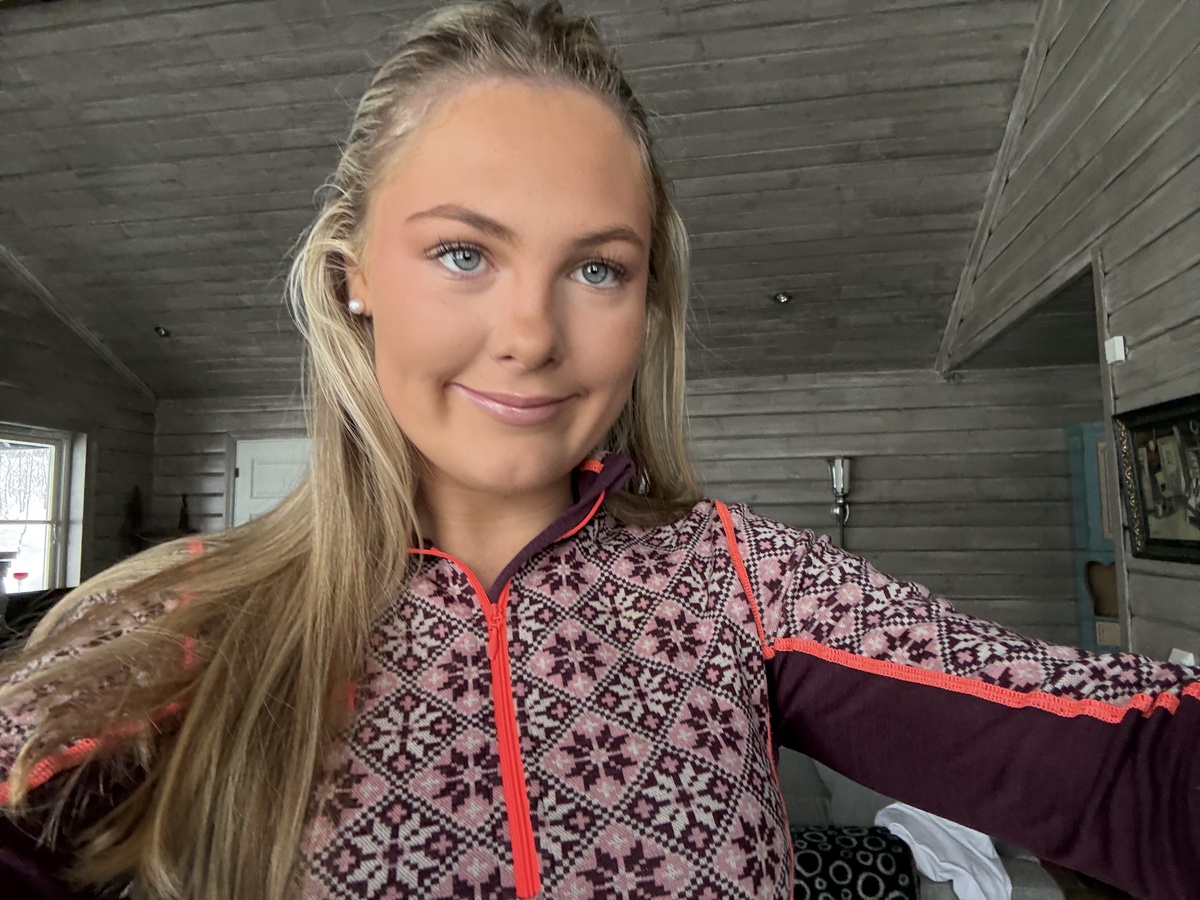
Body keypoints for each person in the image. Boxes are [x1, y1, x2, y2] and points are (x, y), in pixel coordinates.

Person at [1, 3, 1197, 899]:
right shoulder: (173, 628)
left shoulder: (744, 581)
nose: (530, 336)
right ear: (354, 276)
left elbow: (1131, 769)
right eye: (464, 252)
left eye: (595, 268)